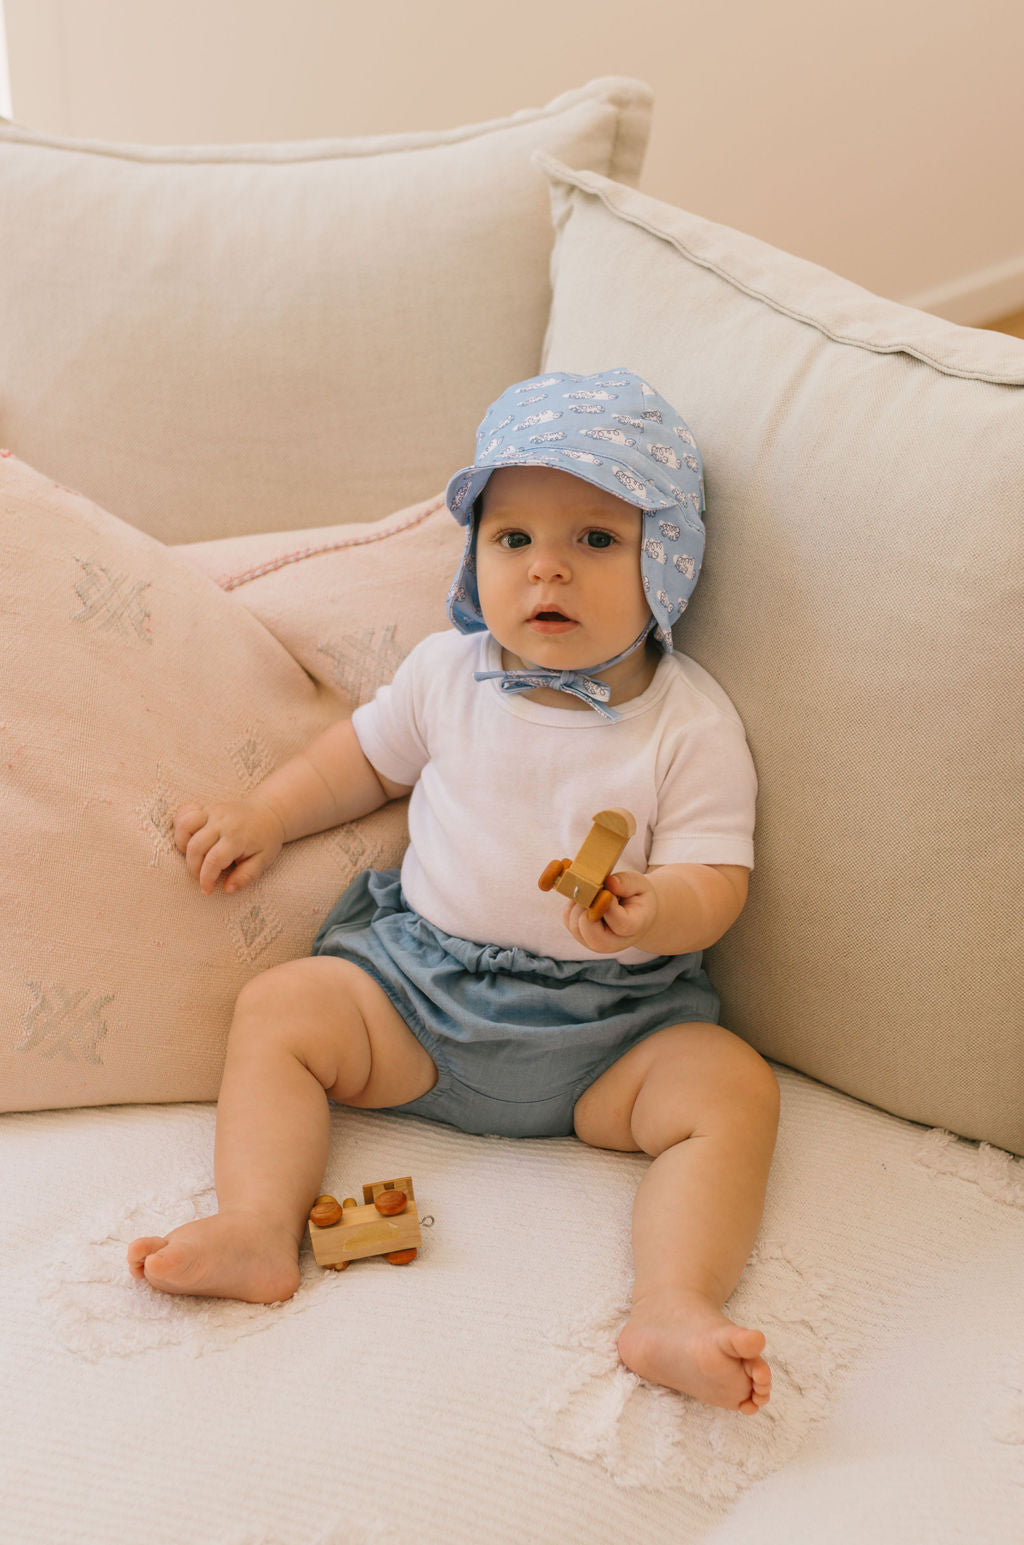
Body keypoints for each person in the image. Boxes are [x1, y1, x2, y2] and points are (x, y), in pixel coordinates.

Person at [127, 369, 779, 1415]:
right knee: (281, 1008)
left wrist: (660, 906)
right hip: (422, 1004)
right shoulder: (448, 673)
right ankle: (254, 1225)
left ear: (666, 562)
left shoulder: (686, 724)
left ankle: (671, 1304)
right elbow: (358, 765)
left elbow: (719, 877)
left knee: (732, 1086)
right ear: (474, 556)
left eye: (595, 541)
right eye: (512, 539)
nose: (546, 569)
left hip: (610, 1034)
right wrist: (262, 814)